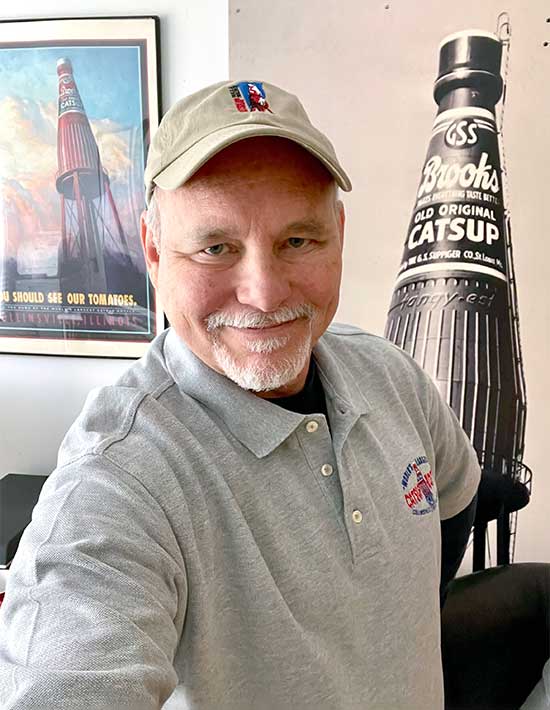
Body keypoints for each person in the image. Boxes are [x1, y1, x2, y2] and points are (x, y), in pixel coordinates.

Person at [0, 79, 480, 710]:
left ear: (339, 232)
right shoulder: (118, 481)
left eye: (298, 241)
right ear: (152, 249)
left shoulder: (390, 376)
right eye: (216, 248)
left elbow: (454, 503)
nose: (264, 292)